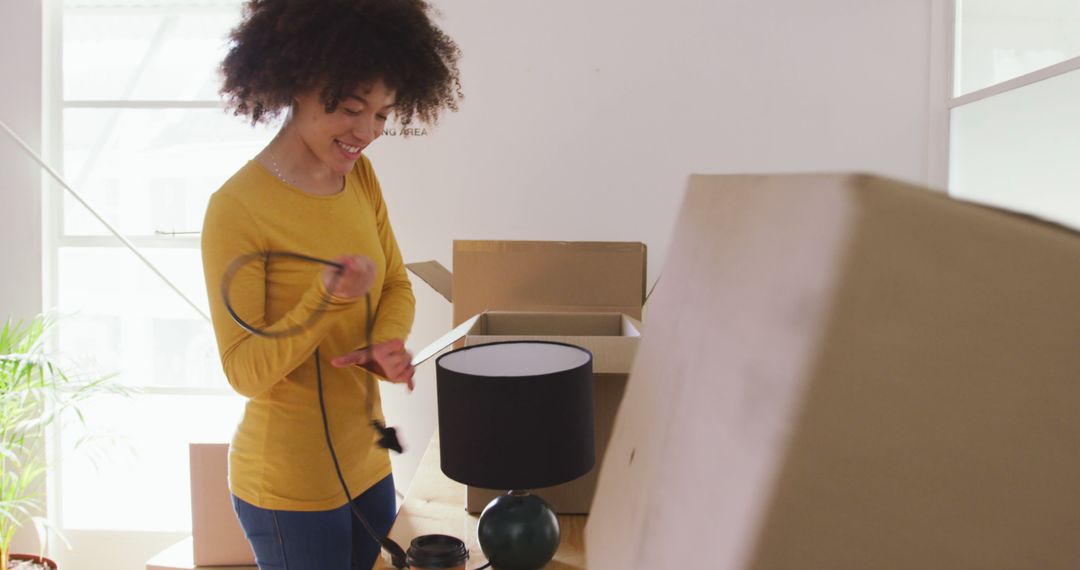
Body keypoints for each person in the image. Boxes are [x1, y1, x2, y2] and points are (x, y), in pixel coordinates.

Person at [200, 1, 461, 568]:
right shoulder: (237, 208)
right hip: (289, 488)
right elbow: (245, 372)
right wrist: (323, 300)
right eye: (350, 109)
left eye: (384, 115)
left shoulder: (359, 176)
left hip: (367, 462)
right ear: (295, 83)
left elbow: (395, 283)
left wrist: (383, 344)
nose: (367, 133)